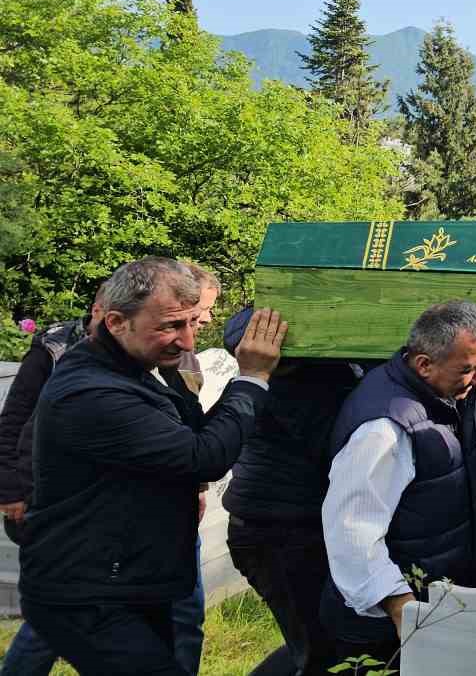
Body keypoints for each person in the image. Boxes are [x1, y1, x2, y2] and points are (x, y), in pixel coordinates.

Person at [19, 257, 284, 676]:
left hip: (131, 581)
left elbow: (196, 433)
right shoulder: (93, 392)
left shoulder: (144, 369)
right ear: (116, 321)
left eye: (190, 324)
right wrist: (251, 379)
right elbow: (203, 456)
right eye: (169, 326)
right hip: (89, 591)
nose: (187, 342)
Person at [320, 300, 476, 666]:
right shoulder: (383, 429)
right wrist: (404, 611)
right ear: (424, 364)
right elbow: (352, 531)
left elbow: (449, 449)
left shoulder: (439, 392)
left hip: (432, 605)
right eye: (469, 369)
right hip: (388, 625)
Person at [220, 306, 363, 676]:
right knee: (319, 651)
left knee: (319, 642)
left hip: (293, 526)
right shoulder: (293, 384)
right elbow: (239, 331)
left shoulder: (325, 368)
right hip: (278, 533)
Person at [0, 288, 105, 676]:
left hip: (88, 501)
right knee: (56, 614)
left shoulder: (137, 351)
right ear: (100, 309)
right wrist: (10, 490)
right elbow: (13, 419)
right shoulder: (54, 348)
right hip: (42, 499)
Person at [162, 260, 221, 676]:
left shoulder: (188, 360)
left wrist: (199, 486)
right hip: (142, 510)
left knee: (186, 616)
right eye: (203, 308)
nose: (207, 318)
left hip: (179, 502)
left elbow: (192, 423)